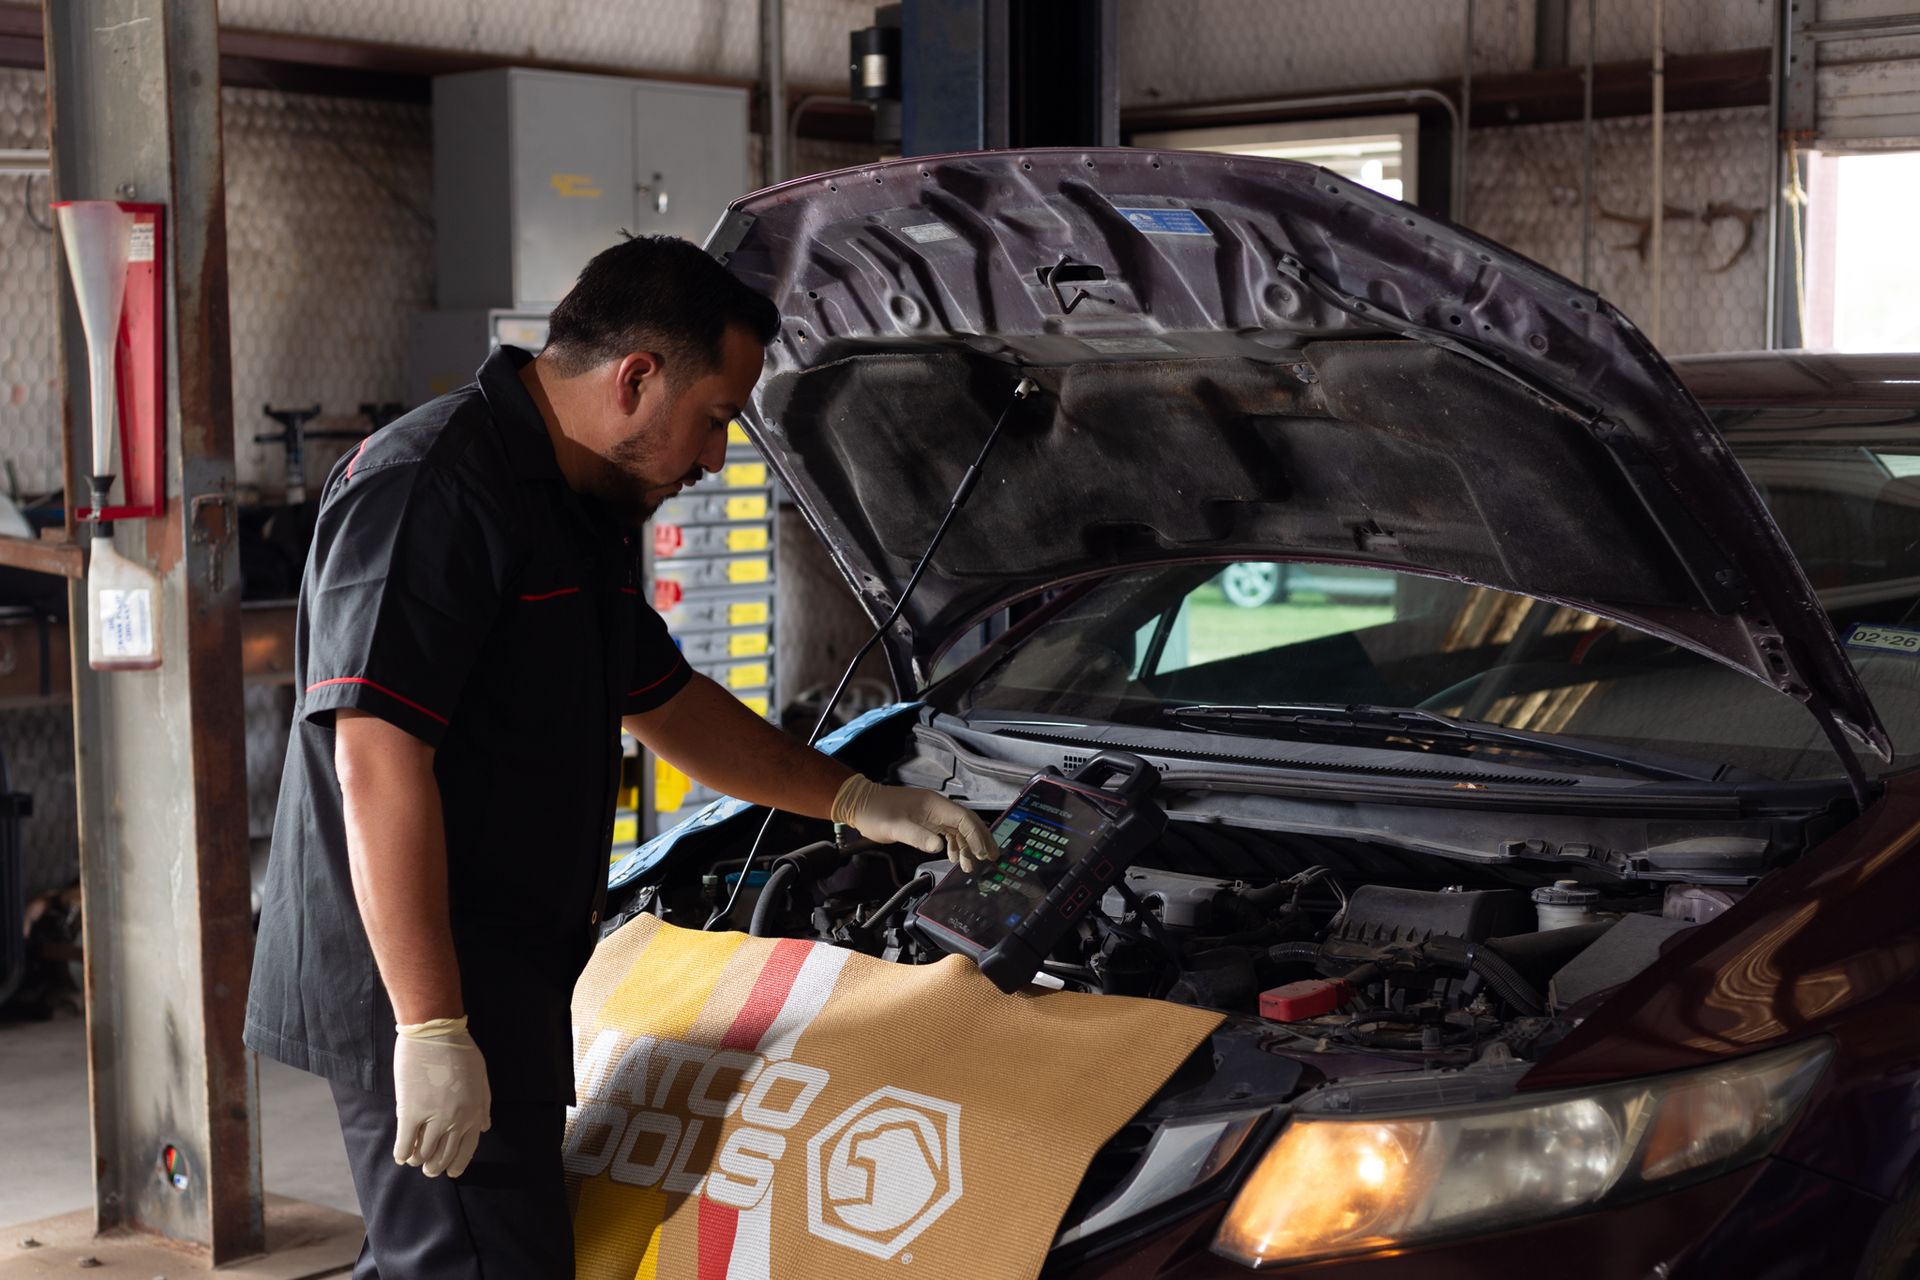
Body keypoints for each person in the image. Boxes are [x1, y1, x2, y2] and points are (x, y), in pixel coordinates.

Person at [243, 235, 997, 1277]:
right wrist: (431, 1025)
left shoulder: (578, 501)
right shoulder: (433, 487)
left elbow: (668, 700)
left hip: (501, 963)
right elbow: (373, 761)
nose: (717, 458)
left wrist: (861, 798)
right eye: (718, 418)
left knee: (446, 1251)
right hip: (414, 972)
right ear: (637, 377)